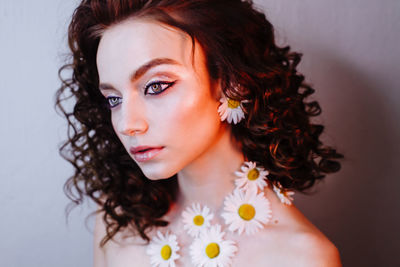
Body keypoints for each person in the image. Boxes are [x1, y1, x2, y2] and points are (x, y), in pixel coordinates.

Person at [55, 0, 343, 266]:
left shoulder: (303, 257)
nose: (128, 124)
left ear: (231, 83)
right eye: (113, 99)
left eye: (156, 86)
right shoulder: (117, 223)